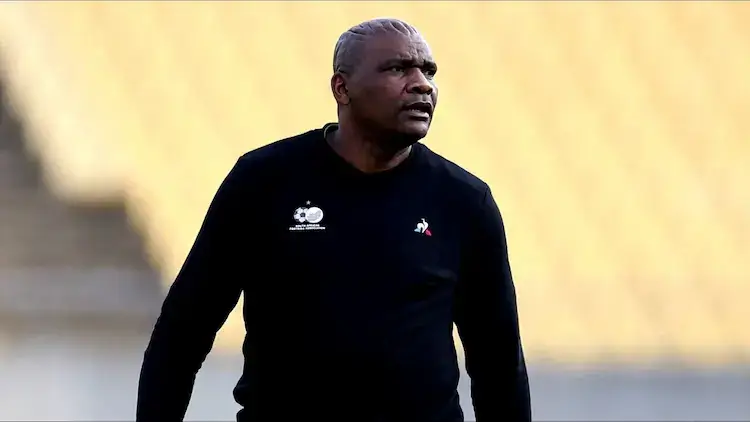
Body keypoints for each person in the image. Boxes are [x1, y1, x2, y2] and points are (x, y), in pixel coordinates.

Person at [136, 17, 531, 422]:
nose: (422, 84)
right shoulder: (263, 181)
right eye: (398, 69)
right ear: (342, 88)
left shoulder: (464, 201)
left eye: (428, 72)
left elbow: (498, 363)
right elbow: (183, 332)